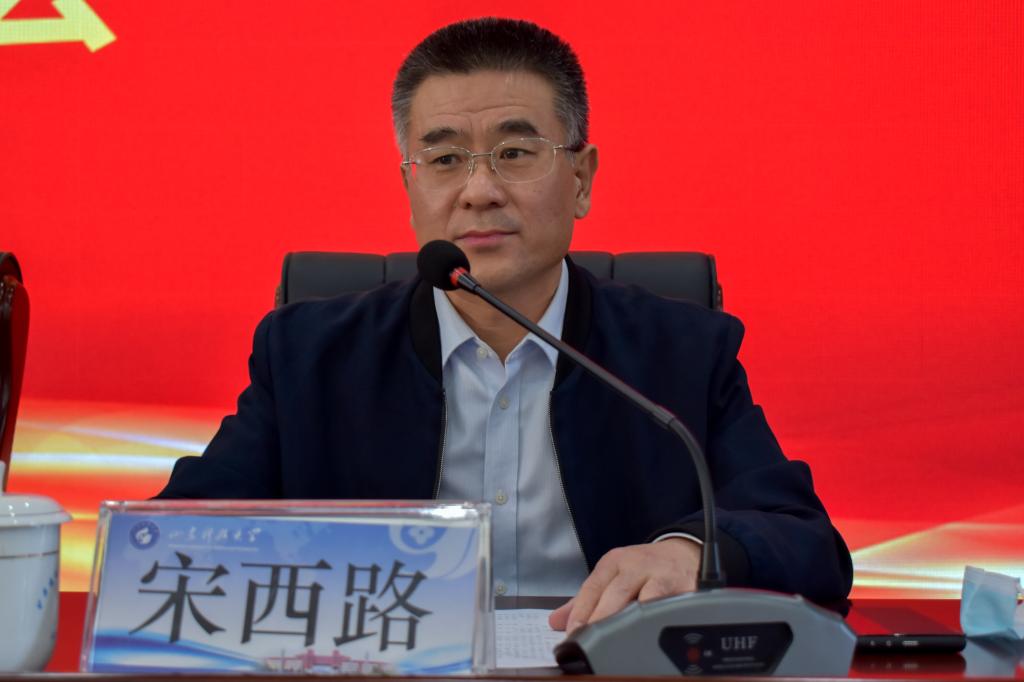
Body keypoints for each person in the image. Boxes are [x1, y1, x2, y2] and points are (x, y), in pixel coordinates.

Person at [158, 17, 853, 633]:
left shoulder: (683, 353)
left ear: (581, 179)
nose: (479, 190)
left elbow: (806, 542)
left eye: (515, 153)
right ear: (410, 186)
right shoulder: (308, 357)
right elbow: (176, 540)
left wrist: (690, 551)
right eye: (445, 159)